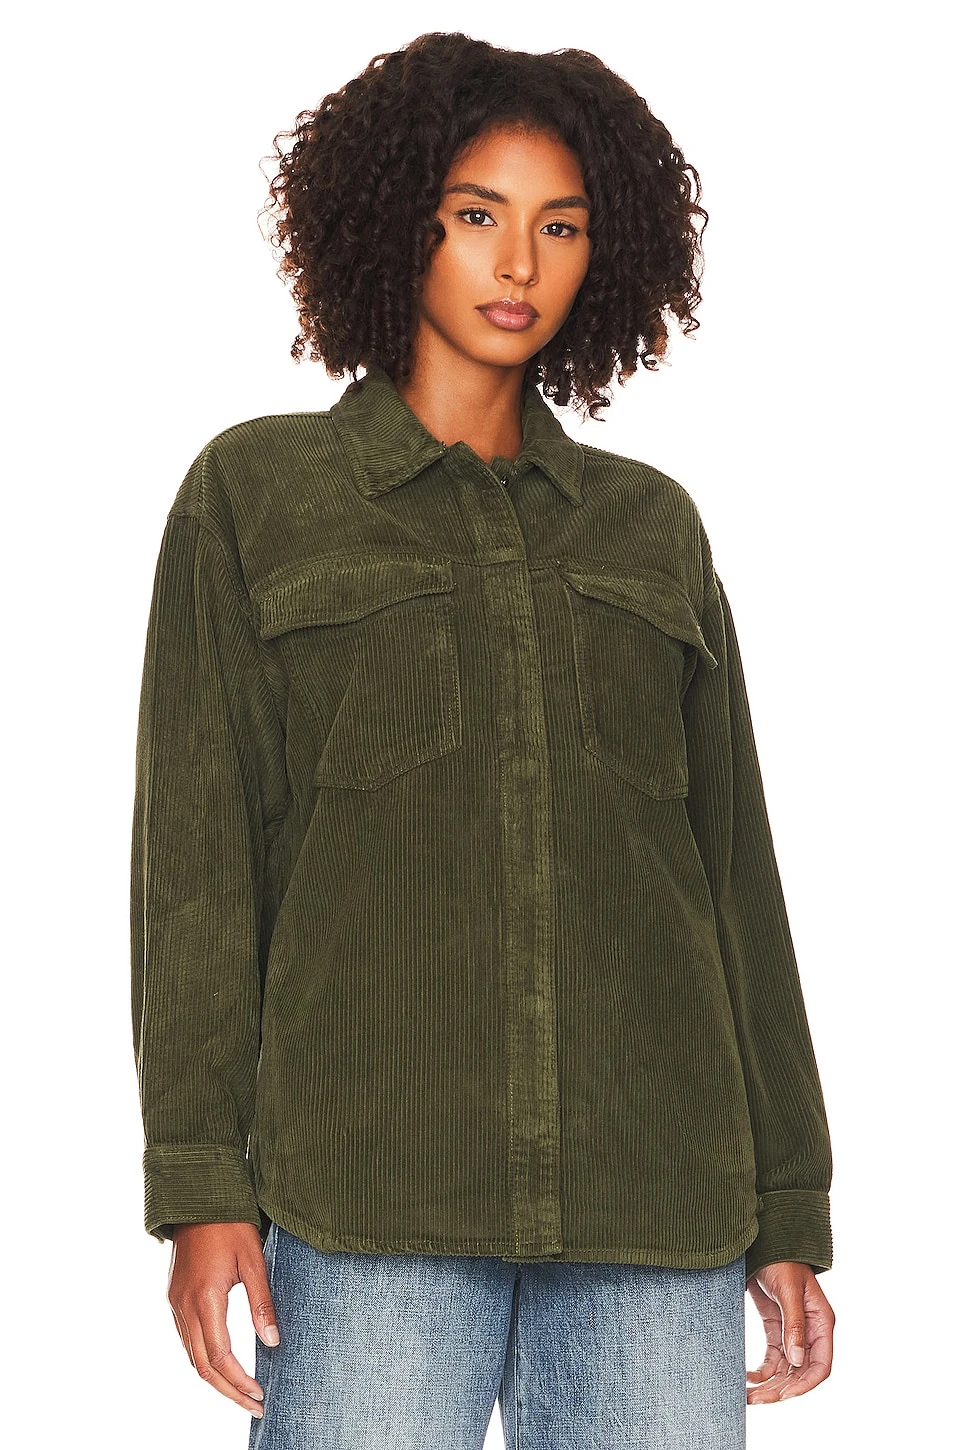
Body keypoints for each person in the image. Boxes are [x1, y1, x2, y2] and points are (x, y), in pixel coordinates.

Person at [130, 31, 836, 1450]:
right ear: (400, 224)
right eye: (477, 215)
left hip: (656, 1206)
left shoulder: (650, 527)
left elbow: (732, 877)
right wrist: (201, 1182)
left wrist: (788, 1206)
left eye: (560, 226)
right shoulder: (258, 495)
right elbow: (197, 868)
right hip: (369, 1197)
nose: (519, 264)